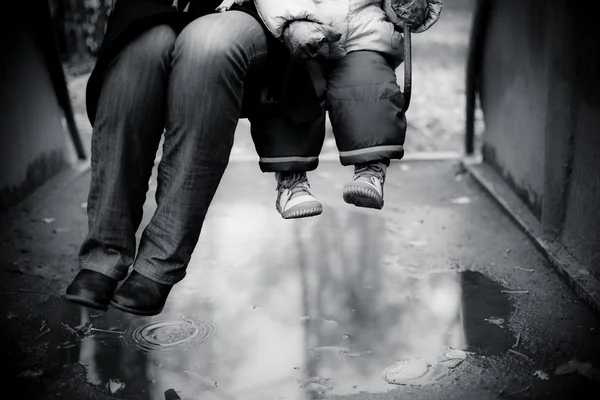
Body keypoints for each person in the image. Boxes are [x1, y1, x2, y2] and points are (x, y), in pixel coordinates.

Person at [63, 0, 339, 316]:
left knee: (206, 45)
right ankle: (103, 254)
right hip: (165, 6)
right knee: (141, 52)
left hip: (255, 11)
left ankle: (159, 262)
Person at [221, 0, 443, 219]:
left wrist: (401, 8)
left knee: (367, 84)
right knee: (290, 87)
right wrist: (292, 22)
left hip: (360, 32)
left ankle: (370, 171)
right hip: (295, 32)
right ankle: (291, 181)